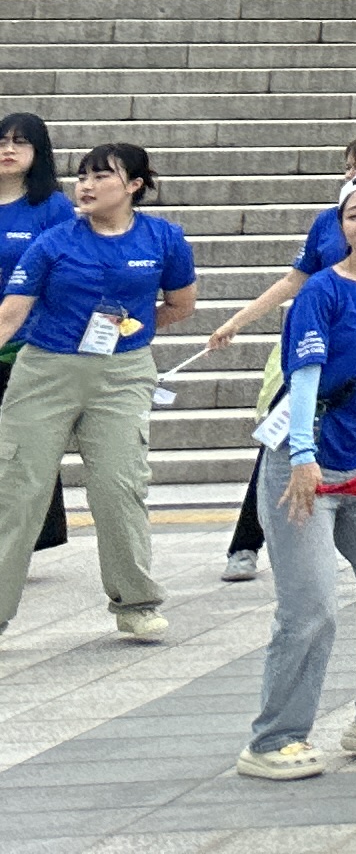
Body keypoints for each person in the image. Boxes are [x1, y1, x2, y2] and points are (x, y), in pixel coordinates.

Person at [234, 170, 356, 781]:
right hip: (305, 466)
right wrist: (301, 455)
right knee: (311, 606)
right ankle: (274, 740)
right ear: (339, 226)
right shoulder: (320, 290)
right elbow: (305, 375)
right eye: (354, 214)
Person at [194, 130, 356, 588]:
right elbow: (295, 280)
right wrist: (237, 321)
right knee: (287, 433)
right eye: (348, 168)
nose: (351, 176)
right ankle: (245, 544)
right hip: (312, 338)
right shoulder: (330, 224)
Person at [0, 138, 198, 643]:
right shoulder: (53, 242)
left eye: (101, 175)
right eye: (82, 176)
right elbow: (11, 314)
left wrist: (129, 331)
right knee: (18, 490)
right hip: (45, 372)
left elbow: (180, 305)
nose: (86, 186)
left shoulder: (164, 239)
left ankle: (136, 603)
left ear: (134, 185)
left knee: (119, 487)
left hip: (123, 375)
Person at [0, 114, 65, 564]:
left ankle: (31, 533)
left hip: (25, 343)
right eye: (2, 141)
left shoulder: (51, 207)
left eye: (20, 143)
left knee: (23, 442)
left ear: (38, 152)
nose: (8, 150)